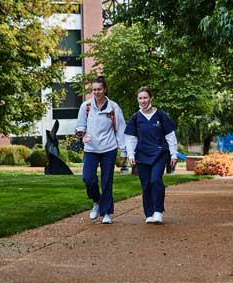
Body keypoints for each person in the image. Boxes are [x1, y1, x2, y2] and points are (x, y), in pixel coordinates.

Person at [75, 76, 127, 224]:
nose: (96, 92)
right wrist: (81, 133)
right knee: (88, 178)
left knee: (107, 181)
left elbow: (121, 130)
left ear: (105, 89)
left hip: (108, 149)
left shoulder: (114, 107)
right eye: (94, 90)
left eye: (99, 89)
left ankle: (106, 213)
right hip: (91, 149)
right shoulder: (86, 107)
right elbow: (80, 126)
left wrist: (123, 151)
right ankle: (97, 201)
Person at [124, 86, 178, 224]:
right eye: (140, 98)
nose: (142, 101)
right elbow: (130, 138)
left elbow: (170, 136)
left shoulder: (161, 115)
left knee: (155, 180)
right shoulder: (135, 118)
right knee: (146, 184)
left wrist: (173, 154)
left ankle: (158, 211)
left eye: (145, 97)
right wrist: (130, 154)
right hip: (142, 155)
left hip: (160, 154)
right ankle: (149, 213)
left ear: (151, 98)